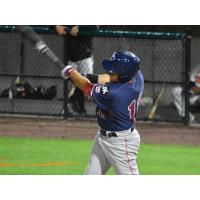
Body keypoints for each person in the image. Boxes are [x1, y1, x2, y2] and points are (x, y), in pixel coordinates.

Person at [61, 50, 144, 175]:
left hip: (121, 143)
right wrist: (81, 74)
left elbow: (86, 86)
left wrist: (71, 73)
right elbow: (104, 79)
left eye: (114, 70)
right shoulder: (136, 78)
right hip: (102, 136)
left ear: (122, 74)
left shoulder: (114, 93)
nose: (109, 71)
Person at [55, 25, 97, 116]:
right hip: (70, 55)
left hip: (85, 54)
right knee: (71, 83)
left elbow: (96, 26)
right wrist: (55, 26)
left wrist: (81, 27)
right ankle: (70, 109)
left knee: (86, 82)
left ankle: (78, 108)